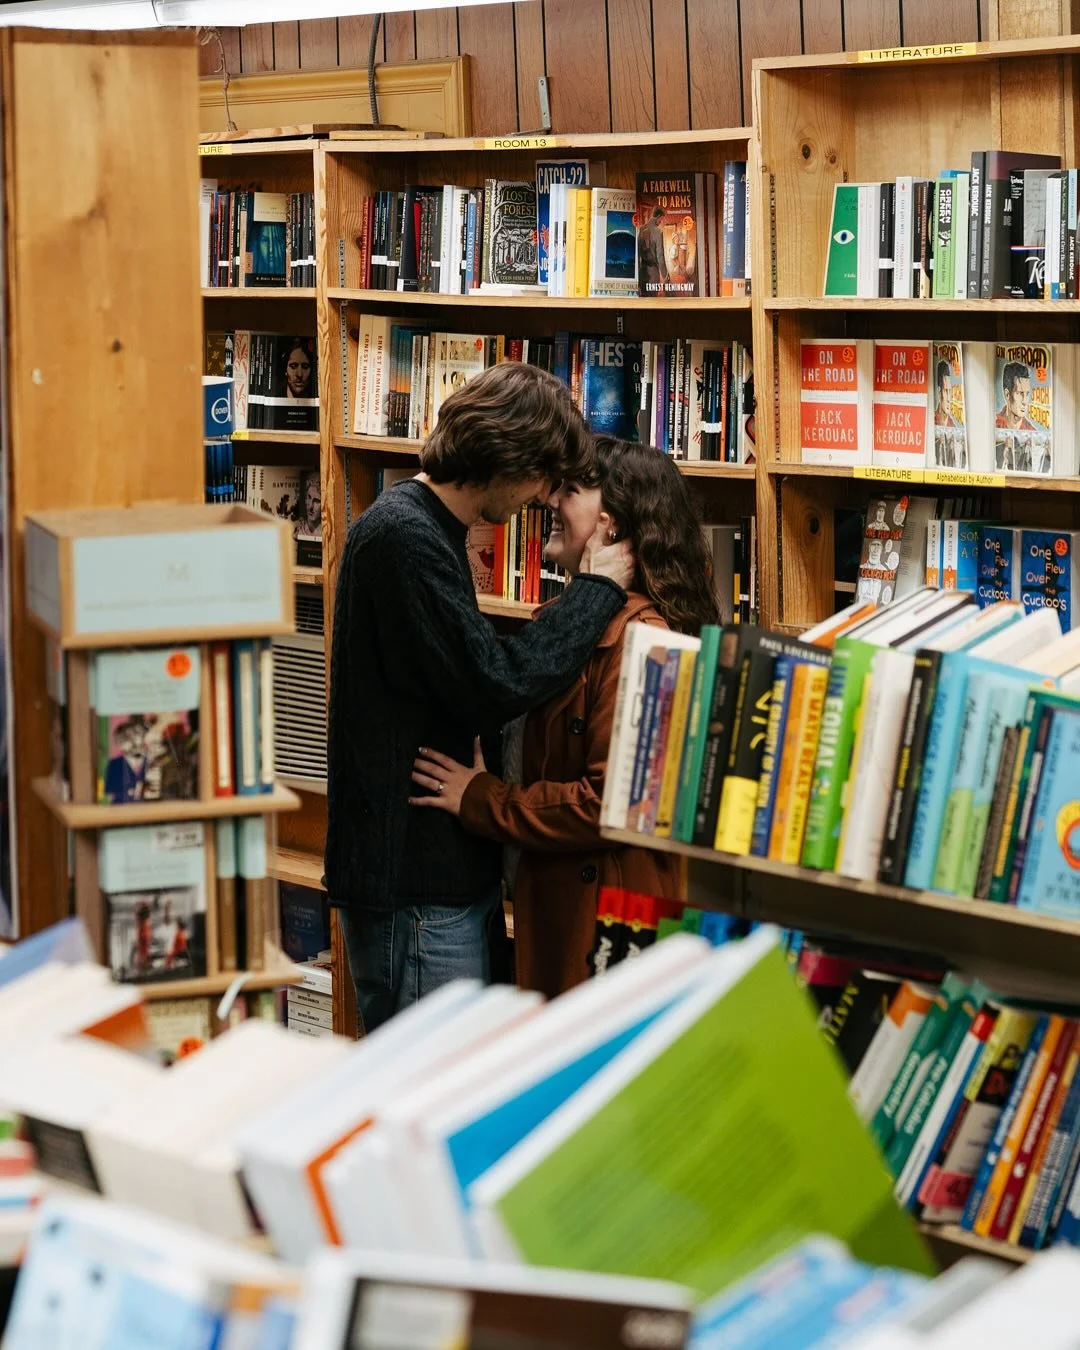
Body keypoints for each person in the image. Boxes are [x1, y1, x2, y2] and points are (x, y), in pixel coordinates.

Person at [325, 362, 634, 1034]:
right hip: (415, 891)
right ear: (506, 459)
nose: (544, 497)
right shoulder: (405, 537)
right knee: (431, 1087)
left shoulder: (428, 529)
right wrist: (597, 591)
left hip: (441, 878)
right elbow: (494, 682)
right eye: (543, 477)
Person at [409, 438, 720, 998]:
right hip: (562, 906)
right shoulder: (573, 621)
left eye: (571, 490)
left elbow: (609, 804)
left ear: (611, 523)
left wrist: (483, 800)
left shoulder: (645, 639)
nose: (550, 500)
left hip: (604, 925)